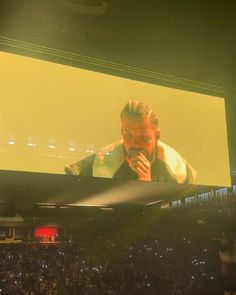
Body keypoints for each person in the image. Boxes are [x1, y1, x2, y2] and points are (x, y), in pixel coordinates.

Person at [65, 101, 196, 183]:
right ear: (122, 131)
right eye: (128, 135)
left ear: (157, 136)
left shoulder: (175, 167)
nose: (135, 144)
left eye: (143, 138)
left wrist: (146, 182)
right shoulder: (101, 161)